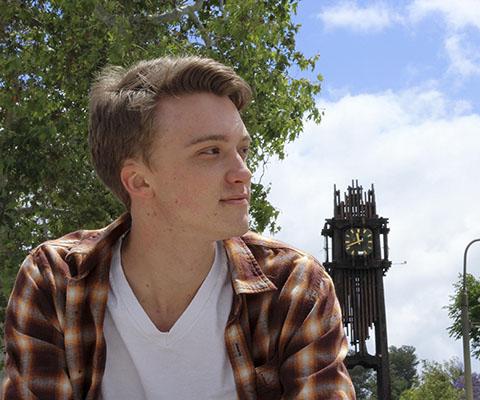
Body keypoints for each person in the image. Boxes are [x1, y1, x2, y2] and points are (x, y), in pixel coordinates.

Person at [2, 56, 355, 399]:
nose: (243, 172)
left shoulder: (292, 286)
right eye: (211, 151)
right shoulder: (56, 281)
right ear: (139, 181)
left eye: (242, 150)